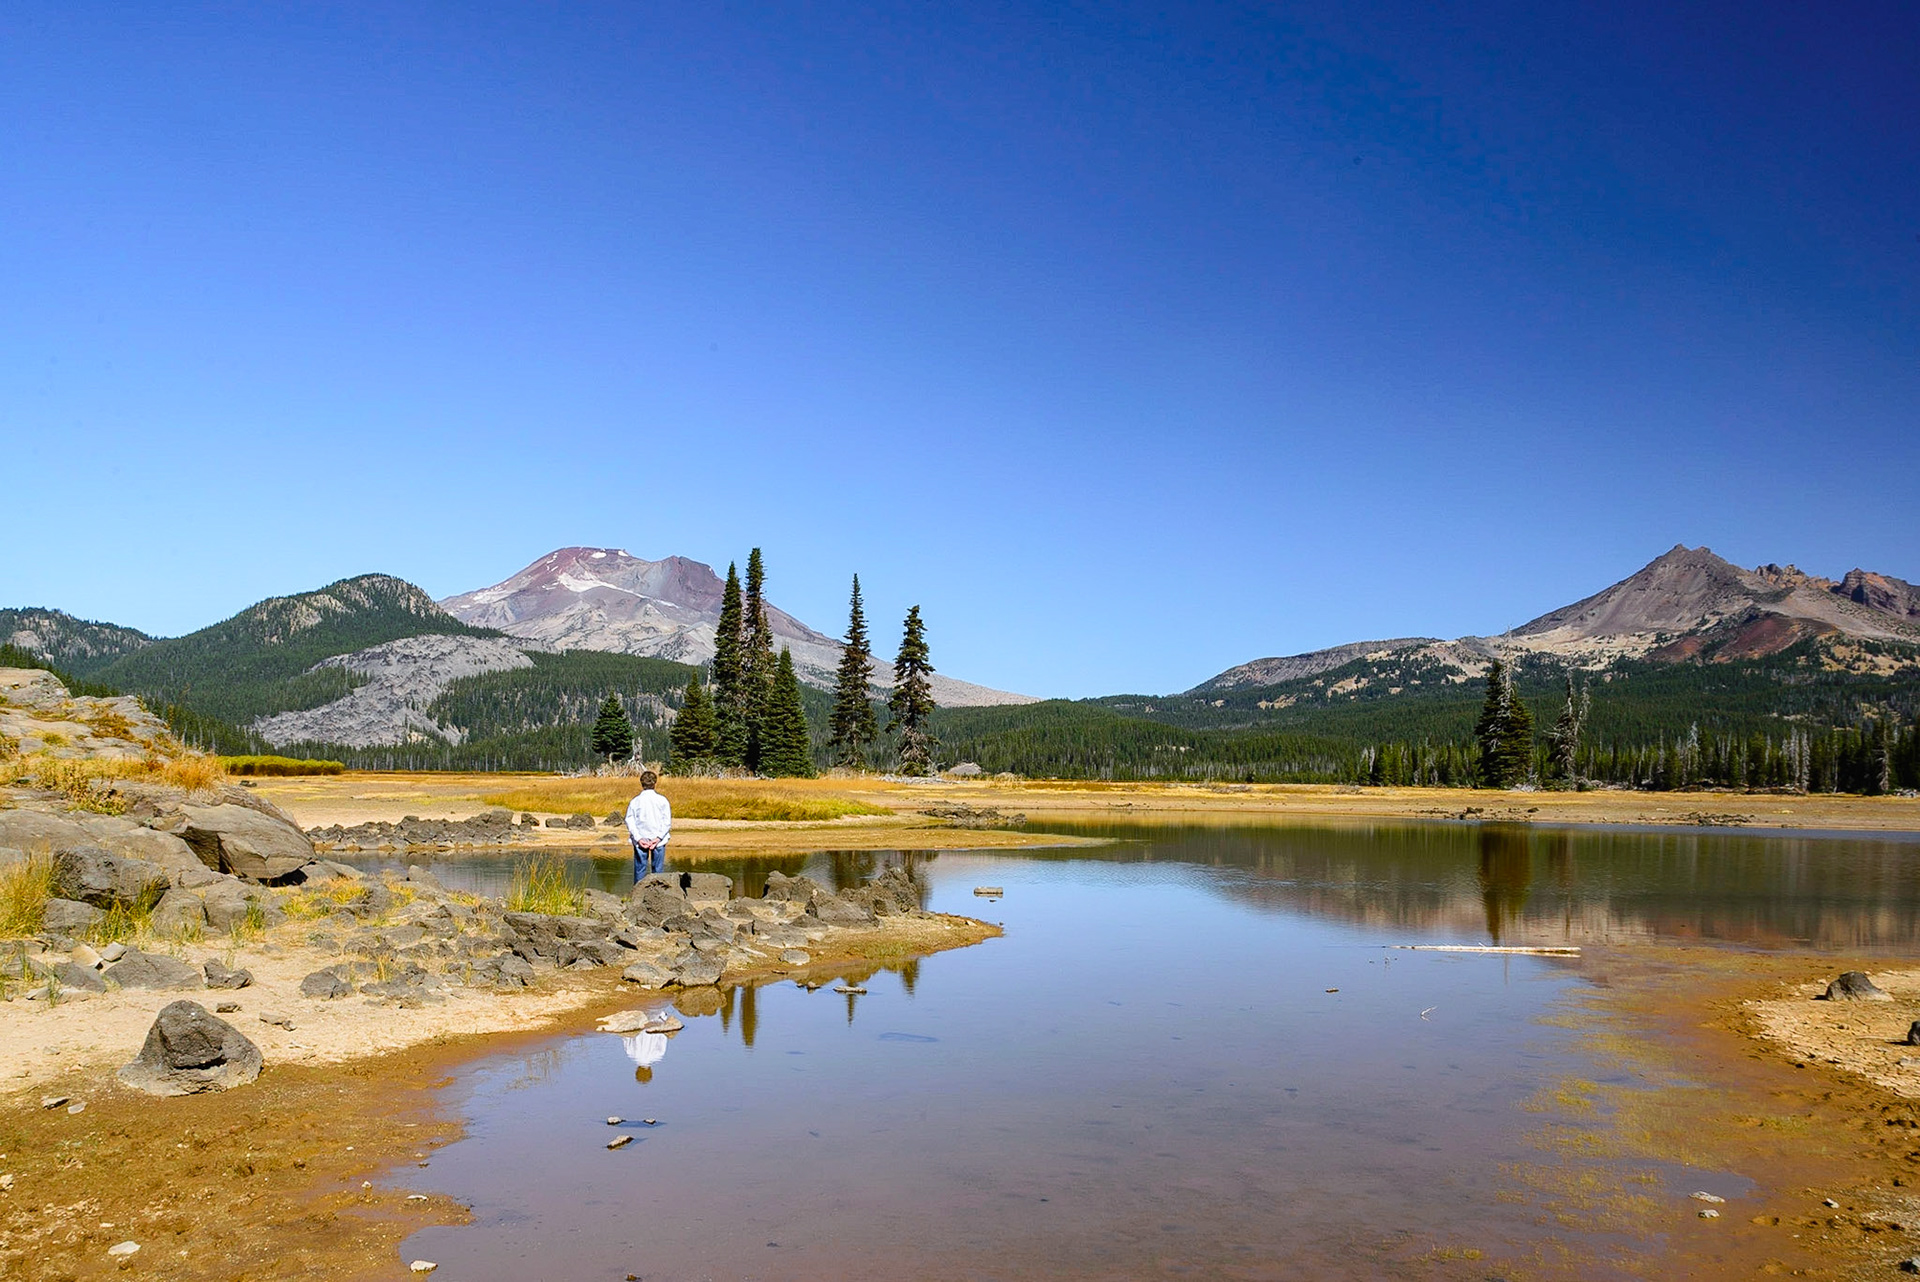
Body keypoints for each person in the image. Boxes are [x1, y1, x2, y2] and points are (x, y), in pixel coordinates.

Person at [625, 769, 672, 881]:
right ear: (655, 783)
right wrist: (658, 838)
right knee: (658, 872)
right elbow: (667, 822)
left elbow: (629, 820)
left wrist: (638, 838)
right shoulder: (662, 800)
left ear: (642, 784)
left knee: (640, 871)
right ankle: (658, 894)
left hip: (641, 839)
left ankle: (637, 895)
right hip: (659, 840)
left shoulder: (635, 801)